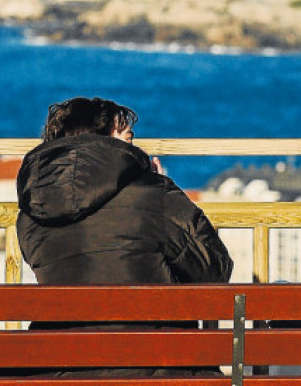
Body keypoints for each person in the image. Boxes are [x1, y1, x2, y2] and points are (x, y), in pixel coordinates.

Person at [17, 96, 232, 285]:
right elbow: (216, 270)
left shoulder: (33, 211)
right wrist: (166, 192)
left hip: (62, 332)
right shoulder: (152, 197)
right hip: (149, 331)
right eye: (128, 139)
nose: (138, 149)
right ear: (106, 146)